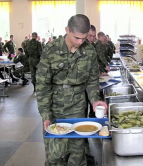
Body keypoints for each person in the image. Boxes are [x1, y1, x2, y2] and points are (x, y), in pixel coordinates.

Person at [36, 14, 107, 166]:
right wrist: (46, 114)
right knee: (54, 155)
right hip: (54, 107)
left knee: (77, 152)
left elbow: (92, 81)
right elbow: (42, 84)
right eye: (77, 38)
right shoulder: (51, 49)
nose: (81, 42)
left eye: (84, 37)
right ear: (67, 30)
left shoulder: (89, 51)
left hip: (77, 106)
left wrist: (95, 100)